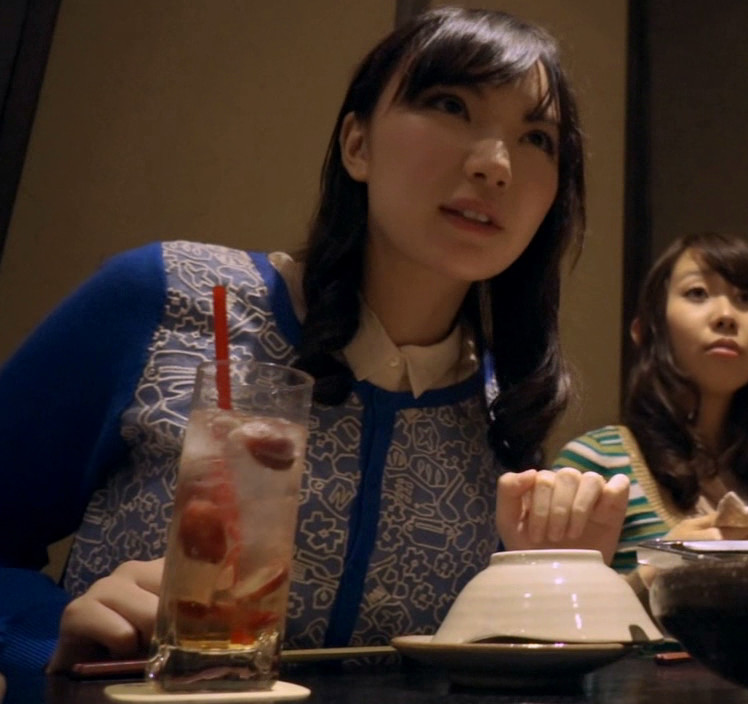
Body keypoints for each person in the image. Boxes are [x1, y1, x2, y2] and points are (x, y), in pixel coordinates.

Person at [0, 7, 628, 685]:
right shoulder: (166, 298)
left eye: (537, 139)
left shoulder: (504, 412)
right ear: (357, 144)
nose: (496, 166)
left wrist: (560, 585)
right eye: (450, 105)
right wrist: (48, 652)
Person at [555, 232, 748, 592]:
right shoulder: (596, 465)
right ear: (645, 330)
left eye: (746, 298)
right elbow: (548, 608)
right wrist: (657, 570)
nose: (726, 316)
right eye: (698, 293)